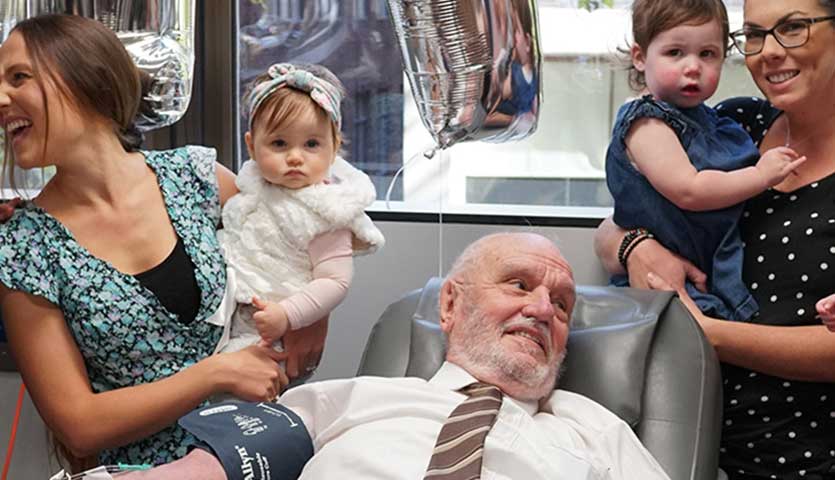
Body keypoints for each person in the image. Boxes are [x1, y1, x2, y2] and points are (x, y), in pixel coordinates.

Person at [0, 14, 323, 469]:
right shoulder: (24, 248)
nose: (0, 98)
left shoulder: (198, 179)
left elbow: (300, 241)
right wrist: (214, 375)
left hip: (259, 447)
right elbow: (78, 424)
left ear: (86, 78)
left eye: (19, 78)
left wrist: (310, 312)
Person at [103, 233, 671, 480]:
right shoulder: (354, 400)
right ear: (451, 304)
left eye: (563, 305)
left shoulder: (594, 429)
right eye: (519, 285)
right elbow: (229, 463)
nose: (544, 309)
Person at [595, 0, 835, 477]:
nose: (768, 51)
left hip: (804, 458)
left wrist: (708, 336)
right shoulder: (732, 126)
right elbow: (611, 229)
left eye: (793, 28)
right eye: (753, 34)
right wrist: (637, 247)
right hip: (682, 441)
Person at [606, 0, 805, 322]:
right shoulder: (648, 124)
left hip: (708, 270)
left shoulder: (719, 123)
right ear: (640, 57)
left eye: (707, 54)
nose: (693, 67)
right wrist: (760, 175)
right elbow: (690, 190)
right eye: (675, 53)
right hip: (668, 285)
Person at [212, 63, 383, 369]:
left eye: (312, 144)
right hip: (229, 318)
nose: (294, 156)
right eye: (279, 143)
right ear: (252, 146)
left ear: (334, 149)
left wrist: (286, 315)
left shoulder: (326, 210)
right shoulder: (252, 186)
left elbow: (335, 281)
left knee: (241, 399)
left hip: (275, 333)